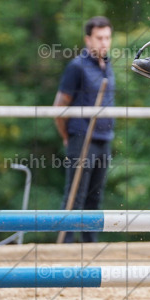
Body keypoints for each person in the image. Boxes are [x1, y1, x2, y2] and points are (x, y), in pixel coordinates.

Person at [53, 16, 116, 243]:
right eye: (99, 38)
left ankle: (90, 245)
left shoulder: (107, 66)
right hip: (81, 137)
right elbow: (59, 107)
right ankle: (65, 244)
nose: (104, 42)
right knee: (75, 195)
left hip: (103, 138)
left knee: (95, 197)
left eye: (107, 37)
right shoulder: (77, 67)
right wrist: (67, 136)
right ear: (88, 39)